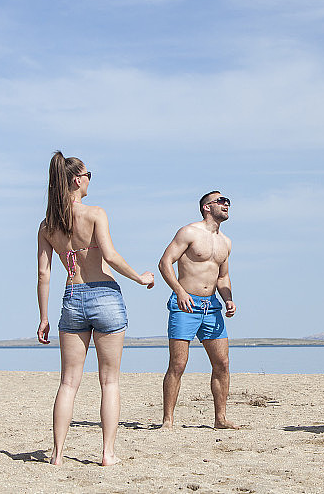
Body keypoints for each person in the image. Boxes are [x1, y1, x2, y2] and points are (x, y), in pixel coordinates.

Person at [36, 151, 155, 466]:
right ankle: (107, 454)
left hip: (72, 296)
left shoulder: (48, 225)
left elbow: (44, 274)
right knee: (109, 381)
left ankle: (58, 455)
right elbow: (112, 257)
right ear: (77, 180)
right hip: (104, 296)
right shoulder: (95, 213)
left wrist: (44, 316)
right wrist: (141, 279)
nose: (90, 179)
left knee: (68, 382)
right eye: (88, 174)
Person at [159, 191, 238, 429]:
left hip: (211, 306)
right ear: (206, 207)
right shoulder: (189, 232)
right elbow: (165, 262)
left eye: (228, 202)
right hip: (185, 304)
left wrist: (228, 299)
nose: (226, 205)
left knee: (222, 363)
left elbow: (223, 277)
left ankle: (220, 418)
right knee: (178, 364)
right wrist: (179, 291)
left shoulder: (226, 242)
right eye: (221, 201)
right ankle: (168, 420)